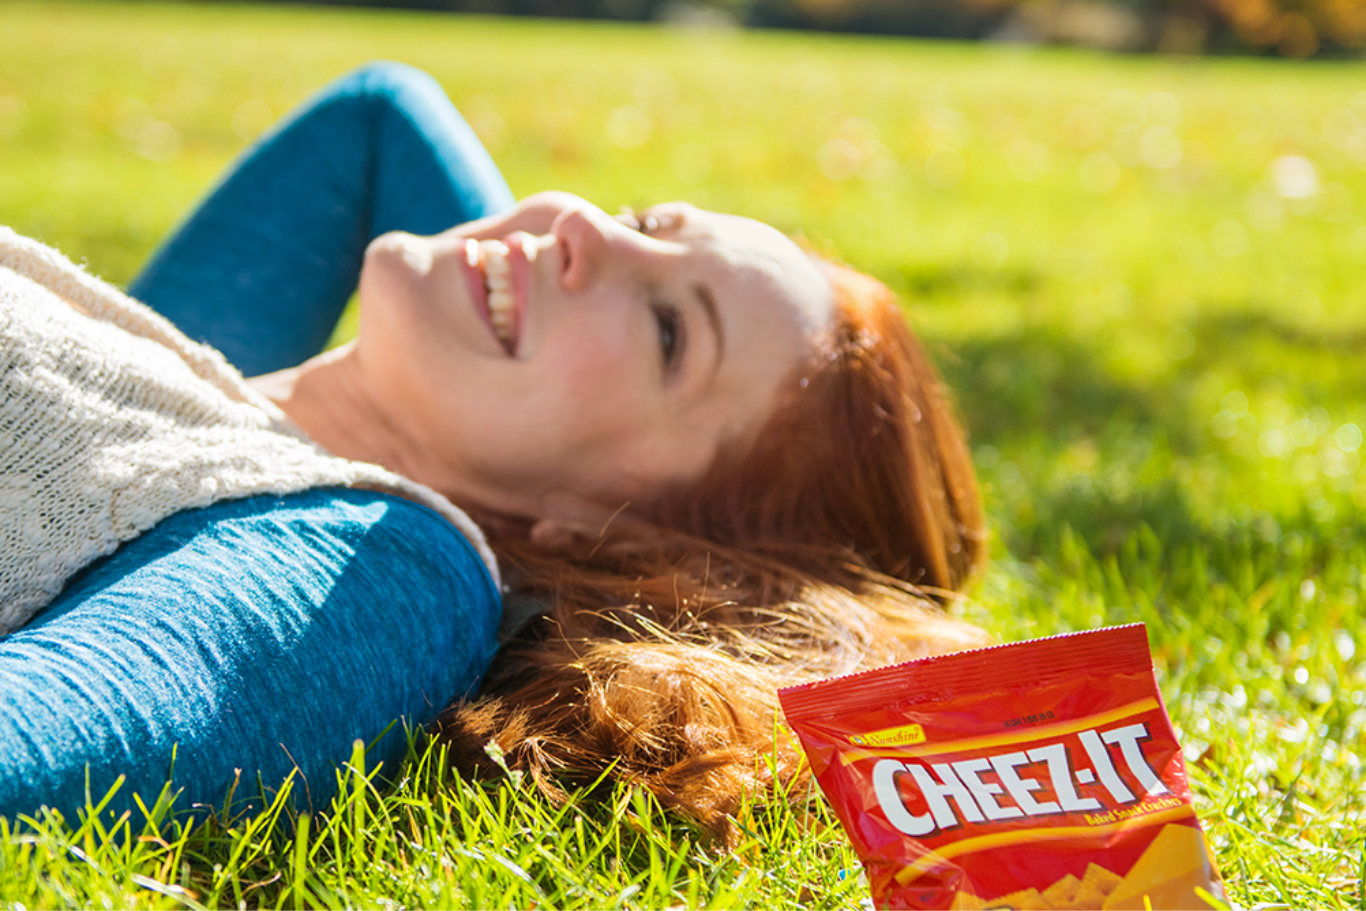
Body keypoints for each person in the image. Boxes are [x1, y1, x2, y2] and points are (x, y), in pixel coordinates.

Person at [0, 62, 987, 836]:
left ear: (616, 528)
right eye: (642, 220)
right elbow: (380, 114)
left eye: (669, 332)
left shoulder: (376, 566)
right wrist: (521, 338)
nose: (571, 222)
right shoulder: (209, 386)